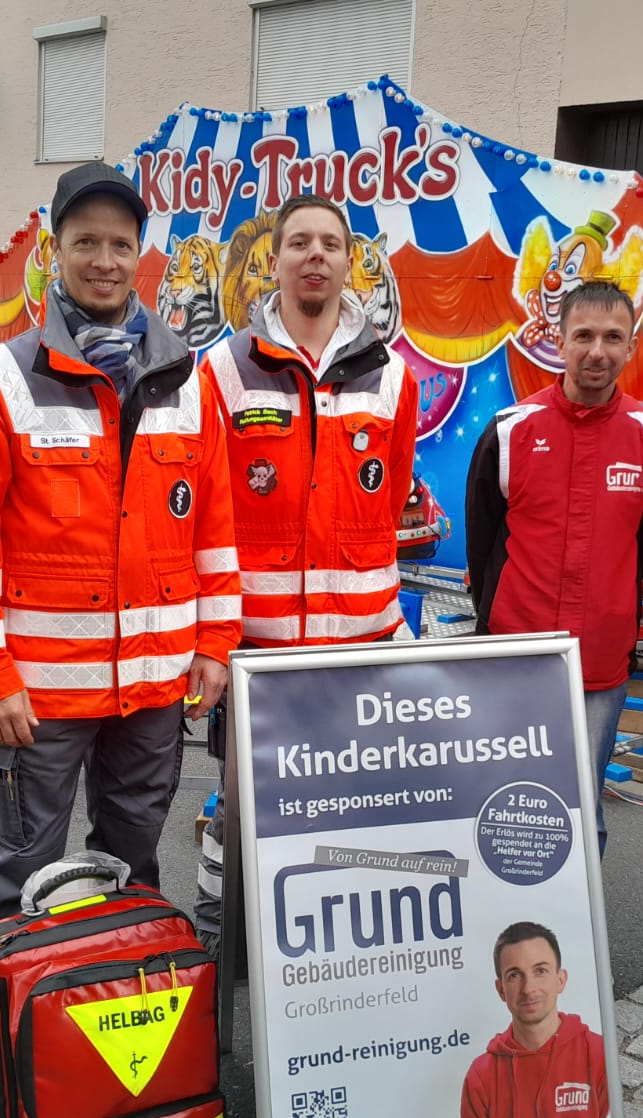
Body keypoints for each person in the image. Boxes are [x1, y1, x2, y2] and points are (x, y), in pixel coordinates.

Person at [0, 162, 242, 1007]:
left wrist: (215, 645)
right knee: (24, 862)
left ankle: (116, 1001)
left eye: (120, 244)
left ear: (139, 255)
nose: (104, 260)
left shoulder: (188, 382)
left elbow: (213, 532)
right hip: (40, 695)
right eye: (85, 243)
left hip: (152, 687)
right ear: (54, 251)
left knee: (133, 857)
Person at [192, 194, 419, 952]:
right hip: (257, 651)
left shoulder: (392, 378)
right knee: (239, 807)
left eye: (329, 242)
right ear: (276, 260)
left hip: (360, 649)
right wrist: (216, 641)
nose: (314, 255)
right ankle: (223, 938)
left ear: (349, 260)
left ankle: (327, 948)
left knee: (348, 804)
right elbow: (206, 515)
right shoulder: (223, 370)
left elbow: (388, 503)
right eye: (298, 242)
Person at [465, 281, 643, 856]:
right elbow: (483, 543)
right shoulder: (511, 431)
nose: (597, 351)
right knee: (500, 794)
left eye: (613, 337)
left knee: (580, 800)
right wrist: (493, 627)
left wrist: (609, 605)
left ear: (632, 347)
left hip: (600, 661)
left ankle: (576, 938)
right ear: (558, 341)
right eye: (583, 335)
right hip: (514, 653)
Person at [456, 921, 609, 1118]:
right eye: (515, 975)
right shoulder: (480, 1076)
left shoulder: (599, 1054)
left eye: (540, 971)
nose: (528, 989)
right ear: (501, 990)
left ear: (561, 980)